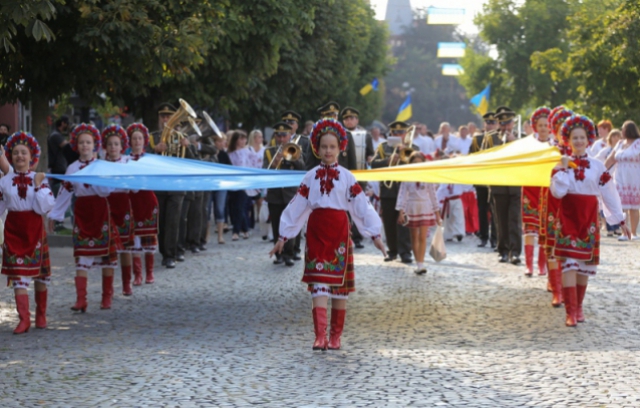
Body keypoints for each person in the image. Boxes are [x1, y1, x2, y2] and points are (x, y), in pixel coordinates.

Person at [269, 118, 385, 351]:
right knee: (319, 284)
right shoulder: (310, 176)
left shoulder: (347, 176)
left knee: (340, 288)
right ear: (317, 148)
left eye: (332, 147)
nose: (328, 151)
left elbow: (362, 206)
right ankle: (319, 336)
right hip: (317, 231)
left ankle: (335, 337)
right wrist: (283, 236)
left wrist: (375, 235)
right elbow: (297, 206)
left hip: (339, 232)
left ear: (340, 148)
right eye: (324, 147)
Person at [551, 115, 629, 327]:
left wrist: (620, 219)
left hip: (588, 217)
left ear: (588, 140)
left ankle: (578, 307)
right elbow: (558, 192)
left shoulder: (597, 166)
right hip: (568, 216)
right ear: (568, 140)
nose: (578, 141)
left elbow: (609, 192)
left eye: (581, 137)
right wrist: (565, 168)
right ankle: (570, 312)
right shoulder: (560, 166)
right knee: (568, 263)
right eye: (574, 137)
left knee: (584, 264)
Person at [48, 123, 119, 312]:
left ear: (94, 144)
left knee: (106, 257)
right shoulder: (72, 168)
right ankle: (81, 299)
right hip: (82, 212)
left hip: (101, 211)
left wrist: (97, 178)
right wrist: (56, 215)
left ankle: (106, 297)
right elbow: (65, 192)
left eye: (88, 142)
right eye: (81, 143)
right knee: (81, 255)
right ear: (76, 145)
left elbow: (108, 191)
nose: (85, 146)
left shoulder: (102, 166)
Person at [1, 132, 54, 333]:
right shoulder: (5, 182)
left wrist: (39, 185)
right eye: (15, 153)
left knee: (40, 276)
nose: (20, 156)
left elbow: (45, 207)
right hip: (14, 229)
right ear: (10, 156)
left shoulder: (38, 177)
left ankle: (41, 314)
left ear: (32, 157)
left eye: (24, 153)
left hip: (34, 228)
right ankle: (24, 319)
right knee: (18, 275)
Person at [147, 103, 192, 268]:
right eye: (163, 116)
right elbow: (143, 159)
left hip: (177, 186)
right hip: (159, 185)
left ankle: (170, 256)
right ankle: (164, 251)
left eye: (169, 116)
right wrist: (155, 150)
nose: (166, 119)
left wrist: (188, 146)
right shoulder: (152, 138)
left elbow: (194, 161)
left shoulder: (181, 137)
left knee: (173, 221)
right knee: (162, 222)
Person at [540, 106, 574, 307]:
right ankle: (557, 290)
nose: (563, 132)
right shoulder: (549, 149)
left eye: (566, 127)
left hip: (571, 202)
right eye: (560, 127)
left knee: (568, 245)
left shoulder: (577, 150)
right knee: (551, 242)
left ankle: (566, 287)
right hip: (552, 199)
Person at [371, 121, 419, 264]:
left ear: (405, 134)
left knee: (404, 222)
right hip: (388, 190)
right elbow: (373, 164)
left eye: (400, 133)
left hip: (406, 190)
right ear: (390, 134)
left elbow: (418, 165)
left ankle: (405, 252)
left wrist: (406, 154)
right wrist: (387, 161)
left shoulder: (413, 148)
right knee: (389, 222)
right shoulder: (382, 147)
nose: (397, 135)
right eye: (394, 133)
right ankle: (392, 251)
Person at [264, 122, 305, 266]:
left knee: (290, 223)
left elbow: (302, 167)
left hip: (290, 194)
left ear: (289, 135)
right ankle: (278, 254)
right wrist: (275, 161)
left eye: (284, 135)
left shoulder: (296, 149)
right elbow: (265, 171)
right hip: (274, 194)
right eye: (278, 135)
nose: (281, 139)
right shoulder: (269, 152)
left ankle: (289, 253)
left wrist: (292, 157)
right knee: (276, 224)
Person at [101, 125, 135, 296]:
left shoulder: (128, 163)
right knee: (108, 248)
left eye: (116, 144)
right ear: (105, 147)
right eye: (110, 144)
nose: (113, 147)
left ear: (122, 147)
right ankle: (107, 293)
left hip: (123, 205)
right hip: (106, 206)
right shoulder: (99, 165)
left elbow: (135, 188)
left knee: (126, 248)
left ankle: (126, 283)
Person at [396, 151, 441, 275]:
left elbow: (433, 194)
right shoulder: (407, 176)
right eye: (414, 162)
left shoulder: (427, 175)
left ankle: (421, 263)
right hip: (412, 207)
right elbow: (402, 194)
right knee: (414, 236)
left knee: (422, 237)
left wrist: (437, 213)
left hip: (425, 206)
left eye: (419, 163)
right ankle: (418, 263)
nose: (417, 165)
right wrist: (401, 211)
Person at [126, 123, 159, 285]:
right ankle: (137, 274)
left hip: (148, 200)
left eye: (140, 138)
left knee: (149, 236)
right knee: (135, 237)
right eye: (134, 138)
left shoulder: (150, 159)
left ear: (144, 140)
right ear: (130, 141)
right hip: (132, 201)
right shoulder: (125, 160)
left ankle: (150, 273)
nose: (137, 141)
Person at [522, 107, 552, 277]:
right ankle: (528, 265)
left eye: (545, 125)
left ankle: (542, 265)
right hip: (530, 188)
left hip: (547, 190)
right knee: (529, 228)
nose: (542, 128)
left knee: (544, 230)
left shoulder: (554, 144)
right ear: (535, 126)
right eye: (540, 125)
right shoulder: (528, 144)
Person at [491, 107, 522, 265]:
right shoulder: (490, 139)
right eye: (502, 124)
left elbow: (526, 157)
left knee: (514, 219)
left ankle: (515, 252)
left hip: (516, 184)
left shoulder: (522, 138)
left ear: (513, 122)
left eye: (508, 123)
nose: (505, 127)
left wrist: (514, 143)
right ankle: (503, 250)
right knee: (501, 220)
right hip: (499, 184)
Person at [341, 106, 372, 249]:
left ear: (357, 120)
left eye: (352, 118)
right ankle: (346, 235)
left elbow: (370, 156)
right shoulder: (339, 134)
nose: (349, 121)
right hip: (343, 177)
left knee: (358, 208)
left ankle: (358, 237)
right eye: (346, 118)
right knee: (345, 208)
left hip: (360, 176)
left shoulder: (366, 135)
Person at [605, 120, 640, 241]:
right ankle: (625, 233)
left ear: (629, 130)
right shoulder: (620, 143)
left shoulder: (638, 143)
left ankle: (634, 232)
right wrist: (601, 171)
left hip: (634, 177)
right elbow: (610, 159)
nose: (621, 131)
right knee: (620, 205)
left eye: (623, 129)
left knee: (634, 206)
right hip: (619, 176)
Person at [470, 112, 500, 248]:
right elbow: (471, 156)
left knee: (494, 210)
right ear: (484, 124)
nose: (490, 125)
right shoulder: (477, 139)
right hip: (482, 178)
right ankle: (483, 236)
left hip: (495, 178)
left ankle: (494, 238)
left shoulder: (501, 138)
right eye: (488, 123)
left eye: (493, 122)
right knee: (482, 209)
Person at [227, 131, 251, 240]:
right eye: (241, 139)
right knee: (234, 208)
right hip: (232, 183)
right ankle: (245, 229)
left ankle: (235, 231)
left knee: (240, 207)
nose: (243, 141)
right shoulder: (229, 153)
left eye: (244, 139)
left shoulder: (247, 151)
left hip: (244, 183)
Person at [212, 134, 231, 244]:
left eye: (222, 141)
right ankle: (206, 236)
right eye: (219, 141)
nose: (221, 144)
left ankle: (220, 236)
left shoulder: (224, 154)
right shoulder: (208, 154)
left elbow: (229, 168)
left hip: (221, 185)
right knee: (207, 209)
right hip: (209, 185)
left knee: (220, 209)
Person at [247, 129, 266, 233]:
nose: (261, 139)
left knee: (260, 200)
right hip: (251, 178)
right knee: (251, 202)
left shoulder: (264, 149)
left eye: (261, 137)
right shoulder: (248, 149)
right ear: (254, 138)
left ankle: (260, 219)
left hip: (261, 177)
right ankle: (250, 221)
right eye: (259, 137)